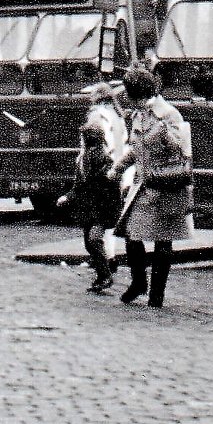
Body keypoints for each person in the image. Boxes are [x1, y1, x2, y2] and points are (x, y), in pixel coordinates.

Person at [113, 65, 192, 307]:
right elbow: (136, 149)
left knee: (163, 240)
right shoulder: (137, 114)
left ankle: (157, 293)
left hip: (166, 183)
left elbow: (182, 150)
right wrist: (119, 167)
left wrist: (162, 130)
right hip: (143, 185)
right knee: (130, 233)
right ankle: (139, 282)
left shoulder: (169, 114)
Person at [70, 78, 127, 293]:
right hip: (118, 171)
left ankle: (106, 262)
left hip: (102, 172)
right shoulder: (118, 115)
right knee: (106, 221)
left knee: (98, 221)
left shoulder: (97, 116)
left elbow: (99, 143)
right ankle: (109, 259)